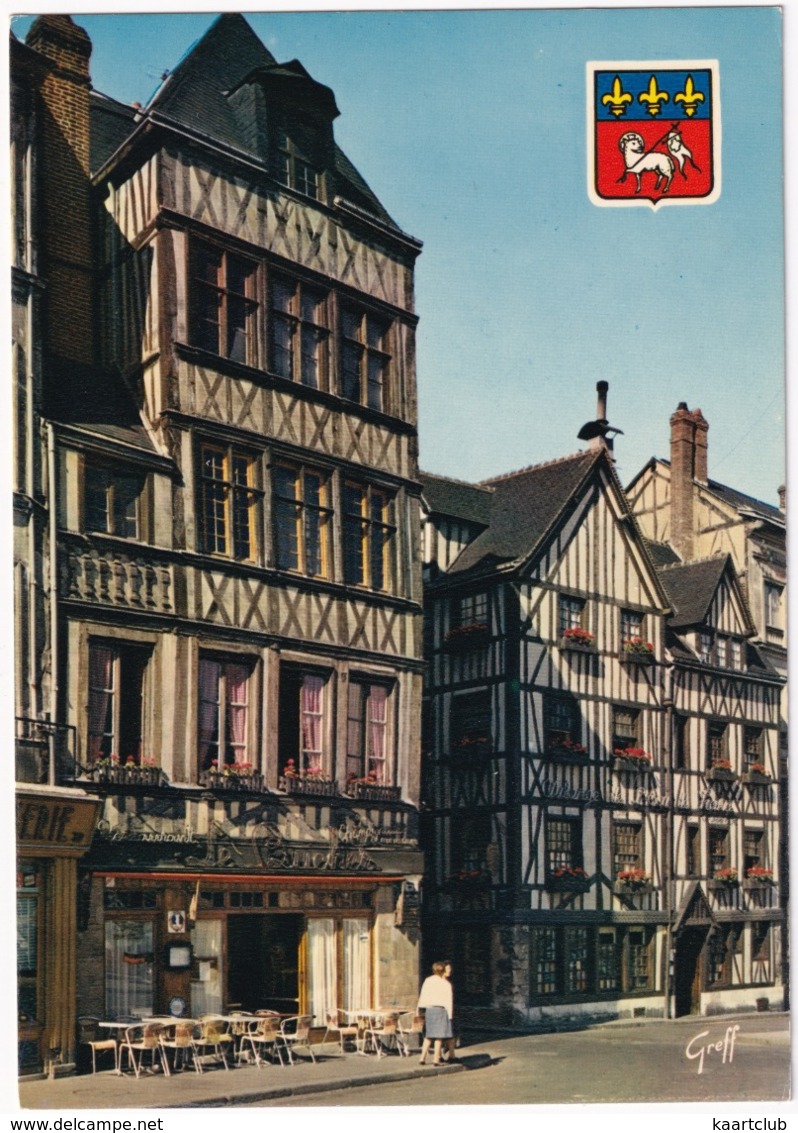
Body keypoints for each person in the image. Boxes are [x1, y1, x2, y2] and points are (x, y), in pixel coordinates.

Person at [416, 960, 454, 1066]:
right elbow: (448, 1001)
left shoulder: (428, 980)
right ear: (442, 970)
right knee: (439, 1036)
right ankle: (436, 1059)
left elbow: (423, 995)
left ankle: (422, 1058)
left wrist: (419, 1008)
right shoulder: (445, 984)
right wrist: (450, 1015)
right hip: (441, 1010)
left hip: (430, 1010)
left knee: (428, 1035)